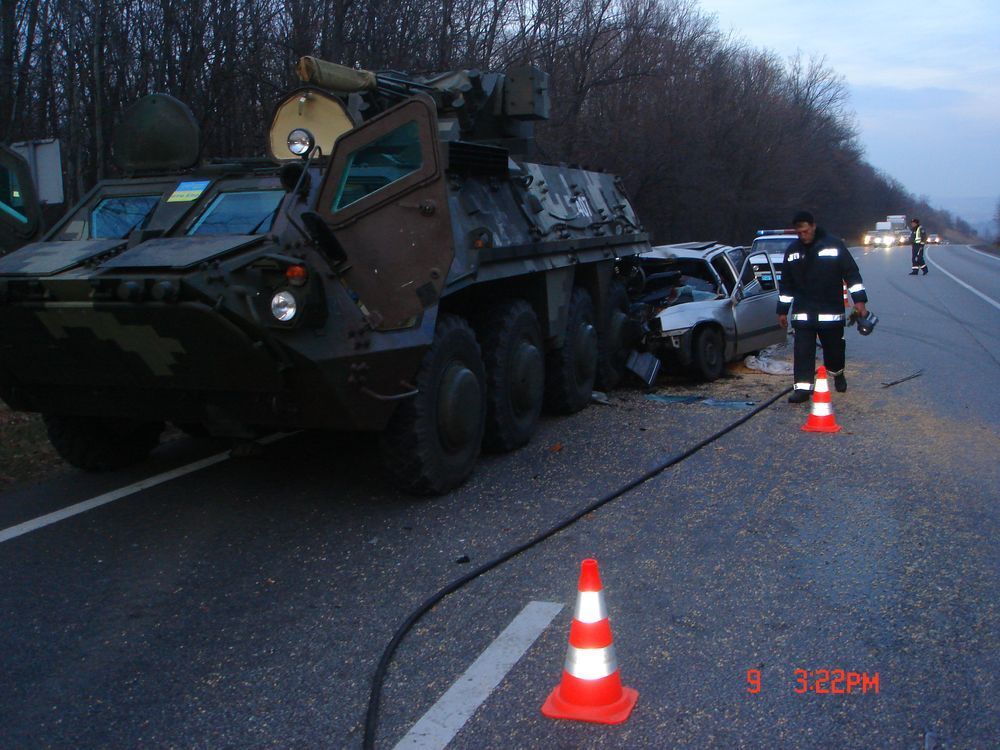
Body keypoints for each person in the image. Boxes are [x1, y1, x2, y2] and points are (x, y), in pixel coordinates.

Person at [777, 211, 868, 403]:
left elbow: (852, 274)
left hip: (830, 311)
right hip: (803, 313)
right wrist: (782, 310)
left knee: (834, 350)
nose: (803, 236)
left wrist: (859, 301)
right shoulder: (793, 251)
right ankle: (802, 389)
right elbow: (786, 284)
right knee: (802, 351)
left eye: (806, 231)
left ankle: (838, 373)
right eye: (799, 233)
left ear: (813, 226)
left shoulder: (834, 245)